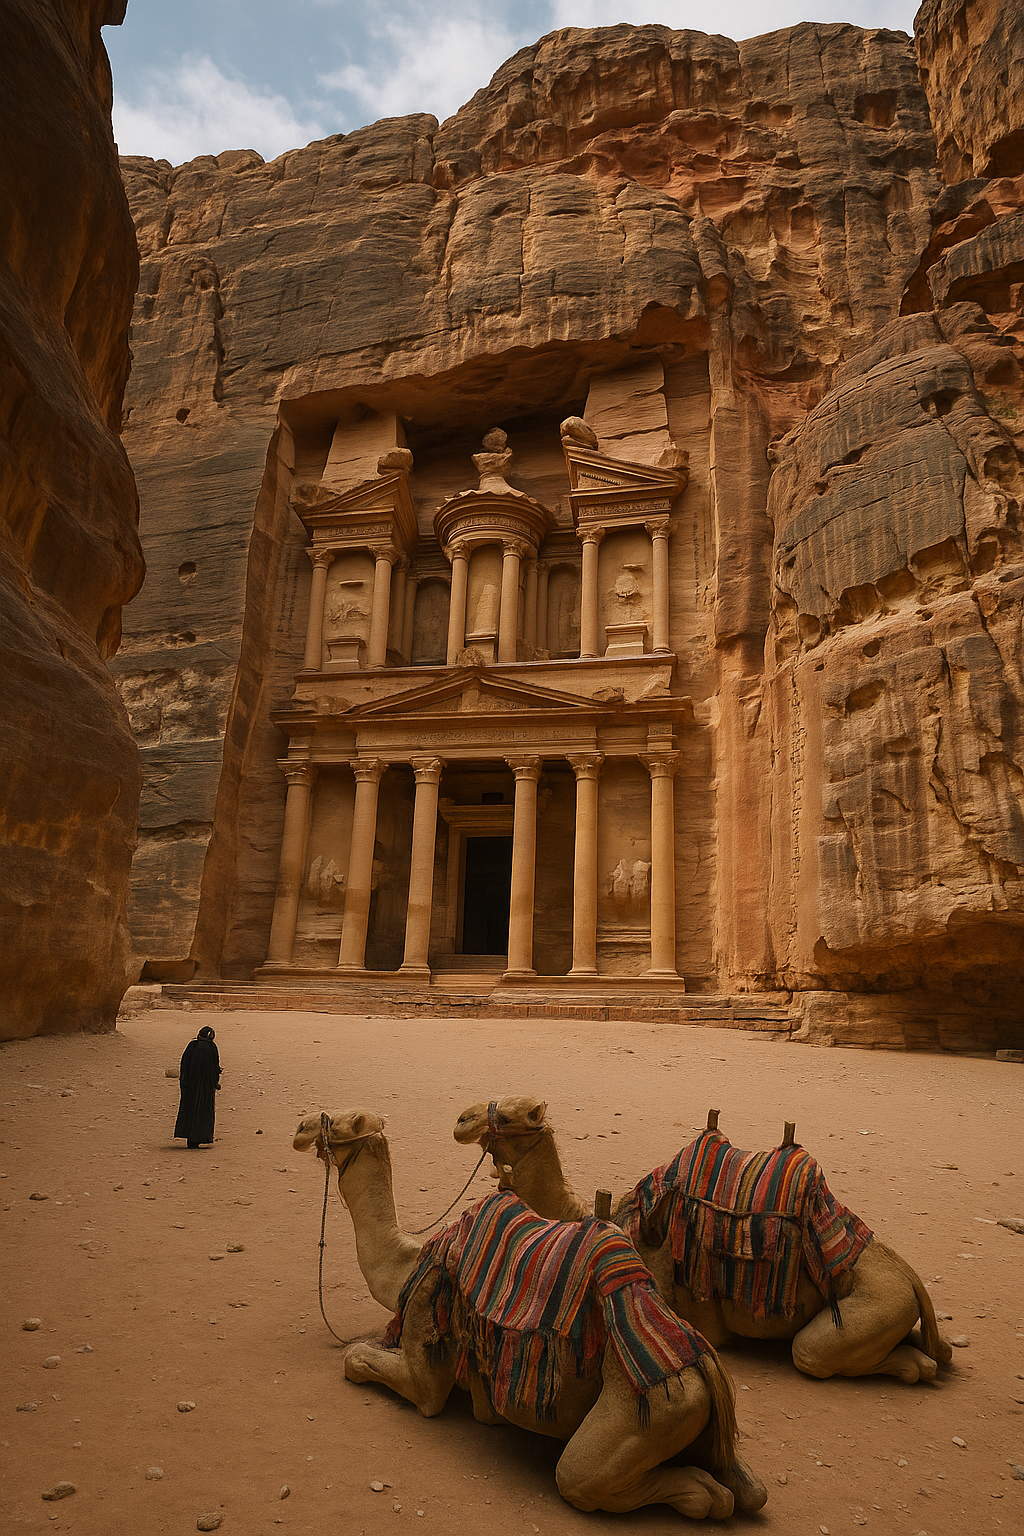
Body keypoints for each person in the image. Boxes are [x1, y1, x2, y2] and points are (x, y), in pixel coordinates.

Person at [174, 1026, 221, 1148]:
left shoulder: (192, 1046)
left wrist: (184, 1083)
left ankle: (189, 1137)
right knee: (203, 1110)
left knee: (190, 1108)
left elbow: (184, 1065)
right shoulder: (212, 1048)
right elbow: (215, 1068)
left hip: (191, 1086)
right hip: (206, 1087)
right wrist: (215, 1082)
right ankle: (199, 1137)